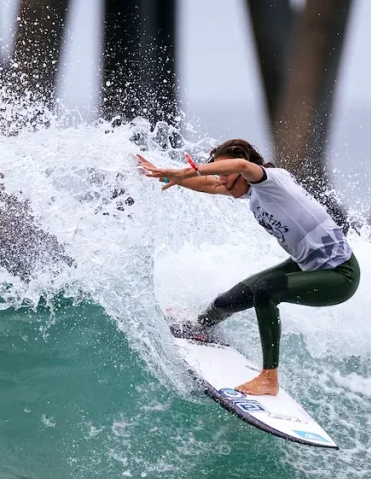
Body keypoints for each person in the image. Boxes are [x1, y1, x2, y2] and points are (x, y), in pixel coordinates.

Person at [137, 139, 359, 396]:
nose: (221, 180)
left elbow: (241, 165)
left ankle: (269, 379)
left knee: (266, 291)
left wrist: (189, 170)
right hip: (305, 266)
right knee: (227, 301)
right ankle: (201, 325)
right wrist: (167, 176)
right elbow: (209, 184)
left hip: (340, 275)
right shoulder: (253, 193)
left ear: (244, 171)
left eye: (225, 174)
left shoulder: (273, 181)